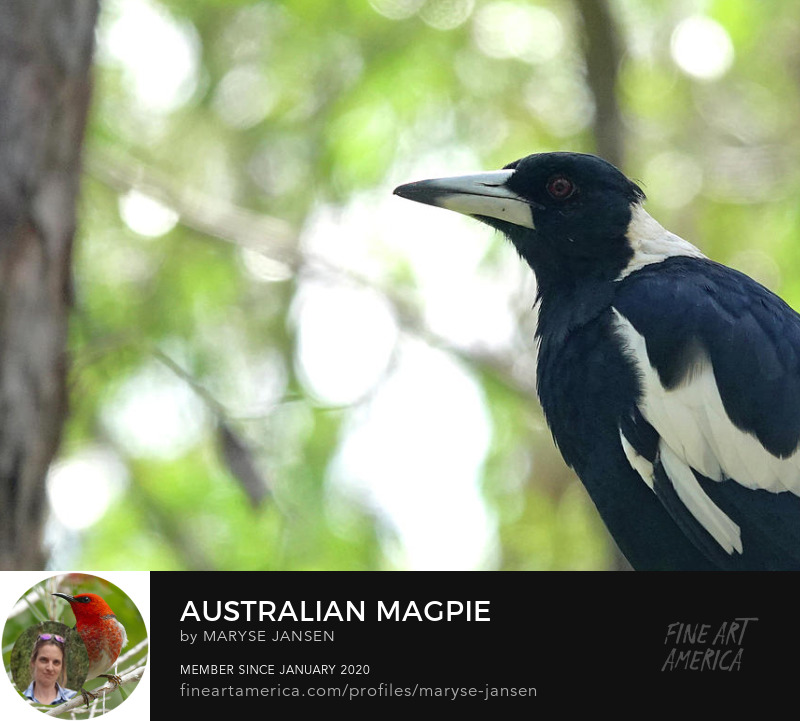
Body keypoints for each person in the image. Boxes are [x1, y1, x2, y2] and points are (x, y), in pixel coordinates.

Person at [22, 634, 77, 705]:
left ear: (62, 666)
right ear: (33, 661)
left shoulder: (73, 698)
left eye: (56, 662)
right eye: (44, 660)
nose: (50, 668)